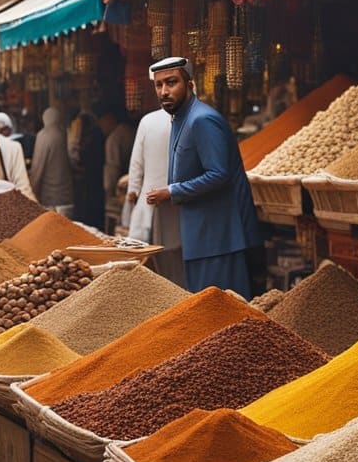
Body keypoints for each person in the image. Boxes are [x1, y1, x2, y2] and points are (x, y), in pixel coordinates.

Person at [145, 57, 260, 297]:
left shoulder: (202, 119)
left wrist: (172, 191)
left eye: (171, 82)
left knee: (223, 311)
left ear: (190, 84)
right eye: (158, 85)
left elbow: (219, 174)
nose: (164, 91)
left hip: (219, 238)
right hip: (200, 237)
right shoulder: (181, 117)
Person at [123, 106, 185, 285]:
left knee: (150, 258)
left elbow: (136, 163)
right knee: (176, 261)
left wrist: (133, 191)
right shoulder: (191, 120)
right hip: (178, 200)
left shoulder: (148, 121)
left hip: (150, 199)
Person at [29, 107, 73, 214]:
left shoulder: (43, 135)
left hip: (49, 198)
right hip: (67, 196)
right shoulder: (65, 134)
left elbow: (38, 167)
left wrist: (31, 192)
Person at [97, 104, 135, 202]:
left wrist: (108, 193)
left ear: (109, 118)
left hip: (122, 188)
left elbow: (112, 169)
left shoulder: (113, 139)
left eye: (101, 122)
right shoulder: (129, 130)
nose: (101, 127)